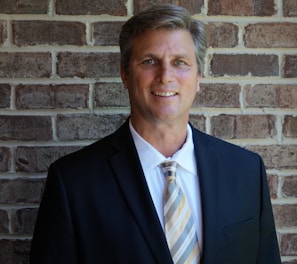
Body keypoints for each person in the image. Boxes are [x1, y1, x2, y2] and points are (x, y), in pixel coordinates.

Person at [30, 4, 281, 264]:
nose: (165, 76)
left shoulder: (246, 171)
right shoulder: (73, 182)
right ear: (125, 74)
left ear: (198, 78)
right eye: (150, 61)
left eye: (180, 63)